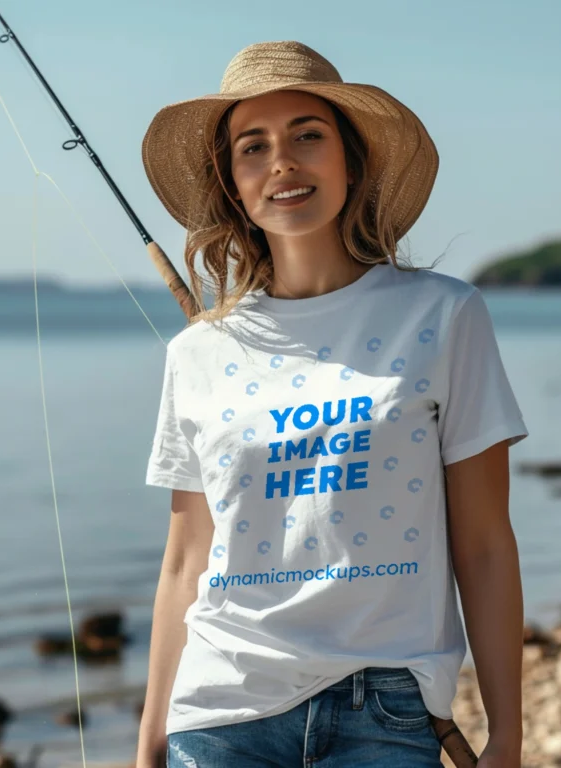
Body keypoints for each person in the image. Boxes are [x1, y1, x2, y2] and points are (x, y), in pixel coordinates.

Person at [136, 40, 528, 768]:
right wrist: (149, 742)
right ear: (233, 184)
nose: (281, 162)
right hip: (220, 710)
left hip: (385, 710)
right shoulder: (196, 353)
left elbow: (483, 543)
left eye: (307, 136)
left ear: (351, 159)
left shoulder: (443, 316)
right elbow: (184, 564)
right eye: (253, 147)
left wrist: (507, 732)